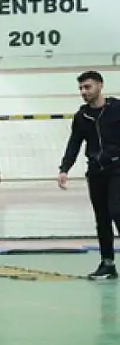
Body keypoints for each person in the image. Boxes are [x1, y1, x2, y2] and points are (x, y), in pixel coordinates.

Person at [58, 70, 120, 280]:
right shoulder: (82, 116)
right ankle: (108, 263)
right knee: (102, 218)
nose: (84, 92)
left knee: (116, 210)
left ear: (100, 86)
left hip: (117, 169)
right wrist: (64, 169)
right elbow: (74, 143)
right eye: (81, 88)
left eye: (88, 87)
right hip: (95, 172)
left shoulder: (117, 108)